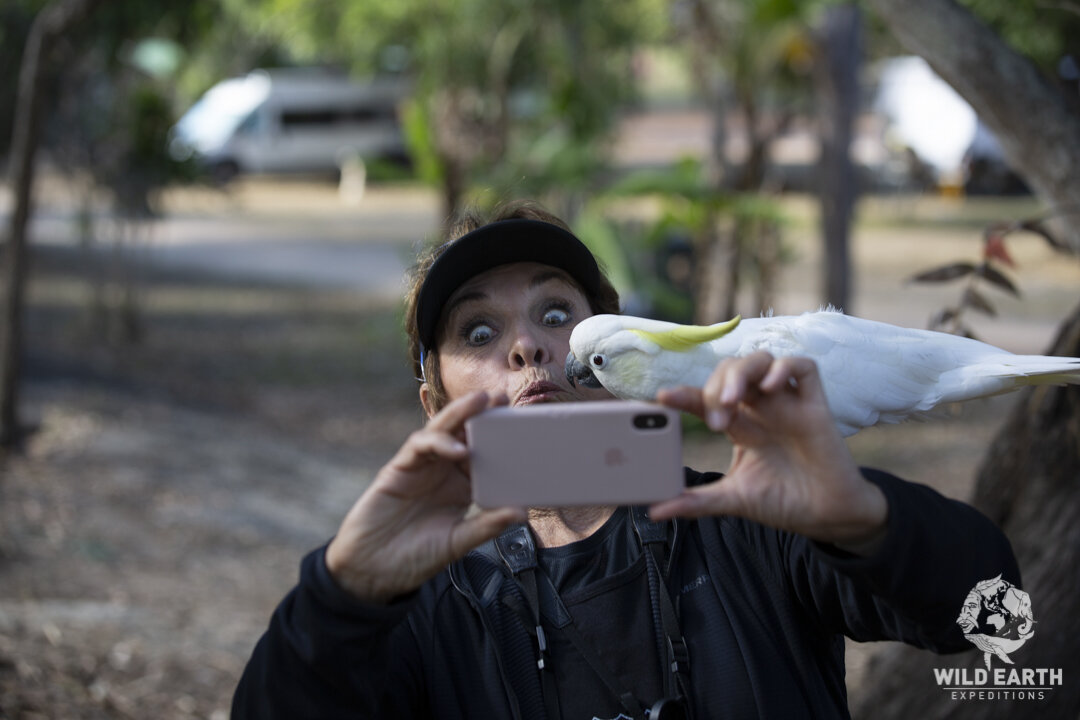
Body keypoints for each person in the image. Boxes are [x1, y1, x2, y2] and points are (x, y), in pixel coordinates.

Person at [232, 201, 1020, 719]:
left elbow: (992, 611)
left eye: (556, 315)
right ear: (435, 402)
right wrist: (341, 597)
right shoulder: (423, 610)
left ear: (618, 357)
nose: (526, 345)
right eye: (477, 332)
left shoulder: (754, 524)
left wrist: (865, 520)